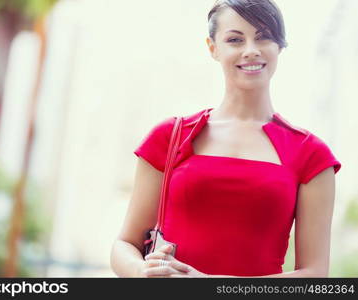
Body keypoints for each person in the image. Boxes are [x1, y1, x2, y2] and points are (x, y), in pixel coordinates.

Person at [110, 0, 342, 278]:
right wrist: (140, 271)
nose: (251, 50)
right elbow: (125, 244)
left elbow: (314, 275)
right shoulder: (170, 137)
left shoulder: (310, 154)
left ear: (279, 46)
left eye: (264, 37)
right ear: (213, 48)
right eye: (235, 39)